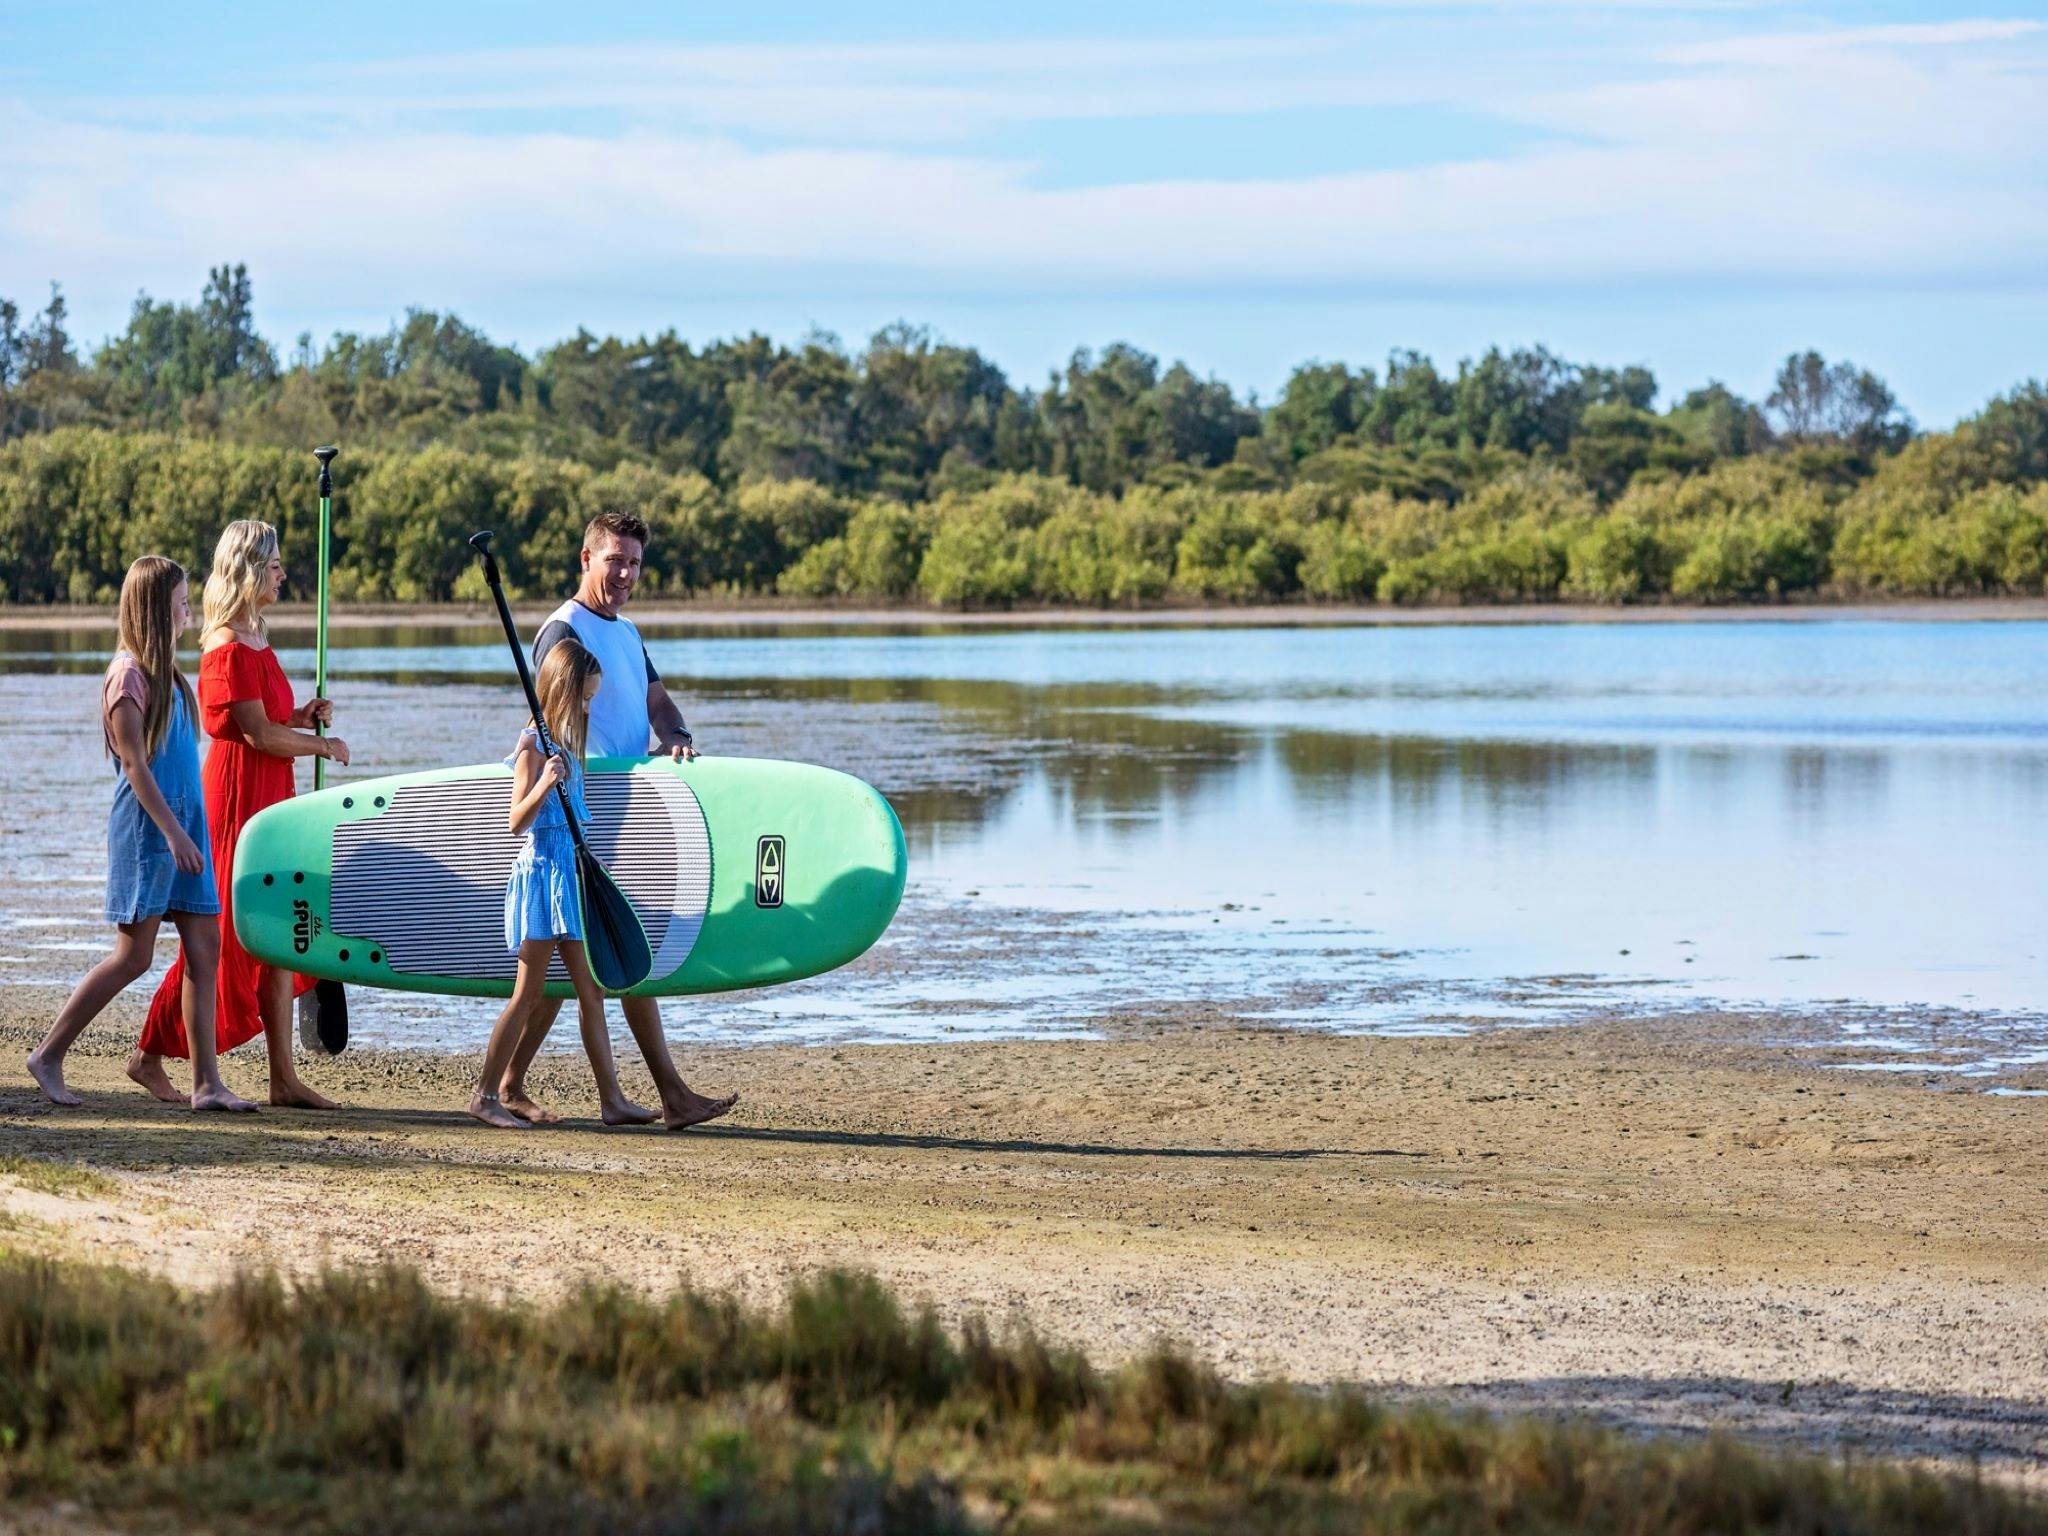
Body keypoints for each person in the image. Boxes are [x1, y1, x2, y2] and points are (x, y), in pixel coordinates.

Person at [493, 509, 736, 1130]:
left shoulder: (627, 632)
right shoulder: (562, 630)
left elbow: (655, 701)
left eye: (634, 563)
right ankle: (666, 1095)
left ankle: (511, 1084)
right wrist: (545, 778)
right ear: (586, 559)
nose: (626, 573)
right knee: (621, 952)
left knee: (583, 962)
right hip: (581, 823)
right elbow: (549, 709)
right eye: (614, 560)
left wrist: (675, 734)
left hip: (628, 813)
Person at [129, 521, 347, 1110]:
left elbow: (272, 720)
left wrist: (303, 716)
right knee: (222, 936)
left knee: (277, 933)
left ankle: (283, 1079)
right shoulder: (225, 644)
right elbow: (254, 734)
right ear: (249, 569)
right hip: (236, 803)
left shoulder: (256, 637)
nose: (282, 573)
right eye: (273, 564)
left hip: (273, 797)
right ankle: (150, 1053)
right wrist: (322, 746)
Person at [26, 558, 255, 1113]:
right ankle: (49, 1054)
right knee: (134, 957)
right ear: (155, 608)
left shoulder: (170, 674)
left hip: (185, 827)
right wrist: (175, 835)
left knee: (206, 947)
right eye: (180, 601)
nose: (187, 609)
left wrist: (188, 830)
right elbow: (135, 767)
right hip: (150, 831)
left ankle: (206, 1084)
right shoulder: (127, 676)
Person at [469, 641, 659, 1129]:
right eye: (585, 699)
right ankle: (486, 1095)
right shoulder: (534, 745)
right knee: (528, 993)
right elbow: (516, 822)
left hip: (571, 878)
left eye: (593, 699)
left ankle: (612, 1100)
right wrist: (543, 783)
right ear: (562, 692)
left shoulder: (568, 741)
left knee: (591, 989)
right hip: (541, 878)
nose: (590, 708)